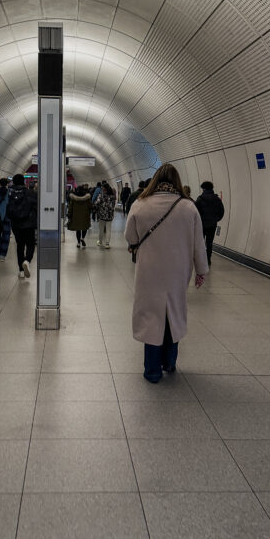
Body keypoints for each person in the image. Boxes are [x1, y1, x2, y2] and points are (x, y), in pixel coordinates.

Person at [124, 163, 208, 383]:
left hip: (149, 271)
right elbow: (199, 243)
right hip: (177, 271)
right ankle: (169, 362)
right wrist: (201, 270)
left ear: (155, 180)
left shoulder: (140, 204)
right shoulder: (188, 207)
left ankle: (152, 371)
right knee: (173, 313)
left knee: (152, 316)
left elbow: (130, 237)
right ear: (176, 181)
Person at [6, 173, 37, 278]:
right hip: (28, 224)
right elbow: (36, 207)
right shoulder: (30, 193)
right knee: (30, 244)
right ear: (24, 181)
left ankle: (21, 271)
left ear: (13, 182)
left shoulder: (9, 193)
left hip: (15, 224)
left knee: (20, 246)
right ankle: (27, 261)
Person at [195, 180, 225, 267]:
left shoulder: (200, 199)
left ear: (204, 189)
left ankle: (201, 259)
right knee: (209, 243)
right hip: (212, 225)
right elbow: (221, 211)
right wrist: (216, 219)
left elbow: (195, 211)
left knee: (201, 242)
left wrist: (198, 221)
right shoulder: (217, 199)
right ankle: (208, 259)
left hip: (202, 224)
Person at [0, 177, 12, 261]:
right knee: (6, 236)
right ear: (7, 184)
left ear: (0, 184)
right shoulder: (10, 194)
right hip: (7, 218)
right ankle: (2, 255)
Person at [95, 182, 116, 248]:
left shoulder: (101, 196)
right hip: (109, 215)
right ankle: (107, 244)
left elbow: (97, 204)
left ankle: (100, 242)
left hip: (102, 215)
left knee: (101, 230)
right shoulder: (112, 196)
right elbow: (113, 205)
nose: (101, 189)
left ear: (104, 189)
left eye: (102, 188)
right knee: (108, 229)